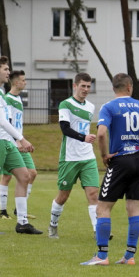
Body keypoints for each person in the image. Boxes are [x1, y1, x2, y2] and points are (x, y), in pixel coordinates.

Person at [82, 73, 139, 265]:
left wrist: (104, 155)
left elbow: (102, 133)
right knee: (134, 207)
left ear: (114, 88)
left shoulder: (109, 107)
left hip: (121, 160)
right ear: (129, 87)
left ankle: (102, 256)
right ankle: (129, 256)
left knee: (103, 207)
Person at [0, 56, 41, 235]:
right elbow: (2, 121)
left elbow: (8, 122)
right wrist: (22, 139)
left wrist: (16, 140)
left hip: (5, 141)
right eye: (5, 69)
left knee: (25, 176)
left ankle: (22, 223)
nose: (8, 72)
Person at [49, 73, 99, 239]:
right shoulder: (66, 104)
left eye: (88, 86)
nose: (86, 89)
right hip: (69, 157)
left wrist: (88, 138)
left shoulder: (91, 106)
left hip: (88, 157)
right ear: (75, 86)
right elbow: (65, 128)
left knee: (93, 194)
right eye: (83, 86)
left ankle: (97, 231)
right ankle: (53, 225)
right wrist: (83, 137)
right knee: (63, 196)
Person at [0, 70, 37, 221]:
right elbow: (7, 123)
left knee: (32, 173)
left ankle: (19, 209)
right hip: (11, 143)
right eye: (23, 80)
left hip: (20, 141)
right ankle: (2, 212)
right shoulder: (7, 99)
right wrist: (16, 141)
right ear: (15, 82)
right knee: (6, 176)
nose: (25, 83)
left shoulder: (18, 99)